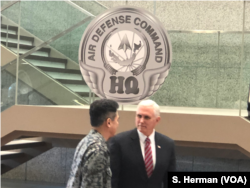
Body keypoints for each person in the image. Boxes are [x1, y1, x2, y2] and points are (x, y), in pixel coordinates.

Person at [109, 99, 176, 188]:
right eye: (139, 116)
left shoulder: (167, 144)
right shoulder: (119, 142)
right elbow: (112, 179)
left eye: (146, 117)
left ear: (157, 120)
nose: (141, 121)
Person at [67, 99, 119, 188]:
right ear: (109, 122)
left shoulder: (86, 141)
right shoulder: (98, 150)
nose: (118, 124)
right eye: (117, 120)